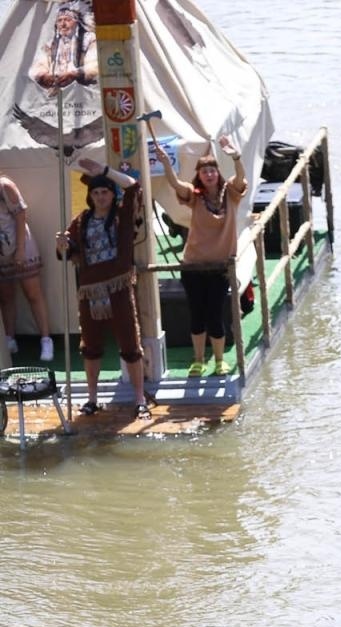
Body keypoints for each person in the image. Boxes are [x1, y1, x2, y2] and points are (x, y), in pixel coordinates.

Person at [55, 159, 153, 419]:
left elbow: (133, 187)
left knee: (130, 345)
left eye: (105, 192)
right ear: (90, 196)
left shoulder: (122, 215)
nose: (100, 196)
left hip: (118, 287)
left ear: (112, 194)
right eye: (96, 192)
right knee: (91, 346)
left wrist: (105, 171)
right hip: (89, 291)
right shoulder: (81, 220)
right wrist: (61, 245)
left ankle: (140, 399)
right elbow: (67, 252)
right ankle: (92, 398)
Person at [150, 127, 247, 378]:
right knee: (197, 315)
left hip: (219, 267)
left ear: (218, 173)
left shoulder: (230, 195)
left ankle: (218, 361)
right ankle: (198, 360)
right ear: (200, 177)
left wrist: (236, 157)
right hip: (193, 266)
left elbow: (240, 180)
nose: (209, 174)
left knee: (216, 314)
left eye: (212, 170)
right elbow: (175, 184)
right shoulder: (195, 196)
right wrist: (165, 163)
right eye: (204, 172)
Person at [0, 172, 53, 366]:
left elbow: (21, 216)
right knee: (5, 296)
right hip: (2, 251)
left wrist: (20, 250)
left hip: (21, 243)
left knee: (33, 293)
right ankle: (9, 340)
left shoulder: (4, 186)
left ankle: (46, 340)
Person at [30, 4, 97, 89]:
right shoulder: (51, 44)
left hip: (81, 91)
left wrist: (74, 74)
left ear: (77, 22)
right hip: (57, 93)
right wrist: (43, 75)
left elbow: (95, 64)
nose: (63, 24)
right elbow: (38, 65)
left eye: (68, 20)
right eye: (59, 20)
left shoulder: (89, 38)